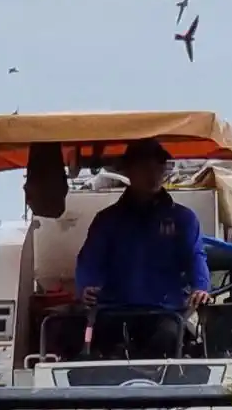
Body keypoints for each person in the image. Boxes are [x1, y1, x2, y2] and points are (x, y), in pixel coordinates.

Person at [74, 139, 212, 358]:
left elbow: (196, 256)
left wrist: (201, 286)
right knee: (104, 345)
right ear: (128, 170)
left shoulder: (183, 219)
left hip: (166, 313)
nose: (153, 173)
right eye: (144, 166)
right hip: (115, 312)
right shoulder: (107, 221)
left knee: (168, 338)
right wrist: (85, 287)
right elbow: (89, 260)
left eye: (158, 166)